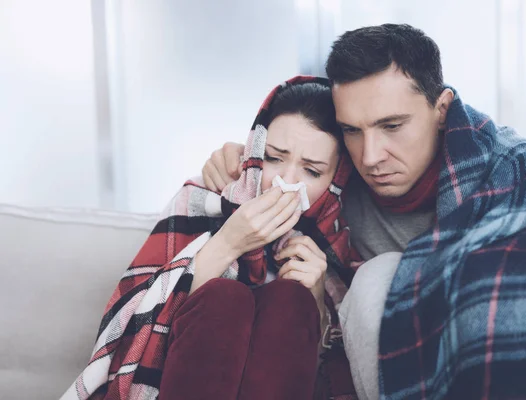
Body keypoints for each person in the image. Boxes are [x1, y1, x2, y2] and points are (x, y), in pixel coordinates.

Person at [203, 24, 526, 400]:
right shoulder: (334, 182)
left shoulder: (508, 167)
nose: (371, 157)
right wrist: (244, 164)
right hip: (396, 357)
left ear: (442, 109)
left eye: (392, 126)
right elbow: (292, 154)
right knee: (377, 279)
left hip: (493, 360)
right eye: (352, 131)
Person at [61, 77, 359, 400]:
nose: (284, 182)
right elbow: (137, 323)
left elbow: (325, 376)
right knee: (224, 298)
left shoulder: (332, 242)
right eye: (273, 157)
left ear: (334, 182)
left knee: (291, 301)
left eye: (312, 171)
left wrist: (314, 298)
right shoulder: (206, 197)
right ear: (255, 150)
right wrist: (230, 241)